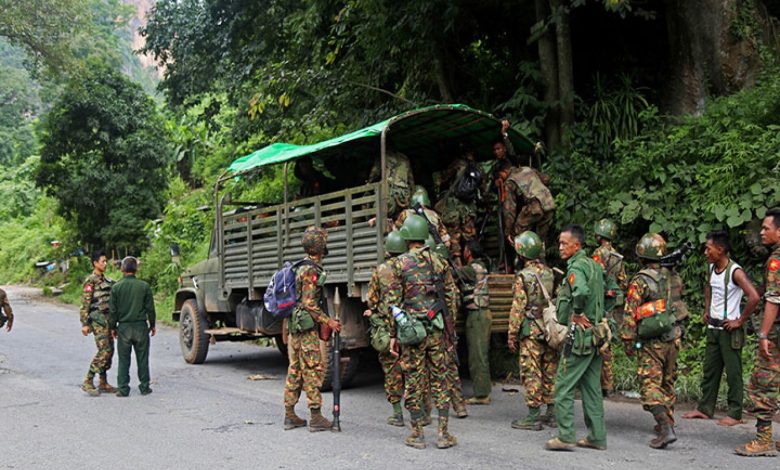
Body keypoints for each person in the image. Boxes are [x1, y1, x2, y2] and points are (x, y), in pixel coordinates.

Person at [389, 214, 459, 449]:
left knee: (414, 380)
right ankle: (443, 434)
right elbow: (451, 298)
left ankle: (417, 434)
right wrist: (450, 329)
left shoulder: (399, 264)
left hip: (412, 333)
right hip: (437, 330)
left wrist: (393, 334)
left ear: (407, 237)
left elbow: (393, 303)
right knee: (440, 379)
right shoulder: (439, 261)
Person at [683, 230, 759, 426]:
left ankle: (735, 413)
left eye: (708, 249)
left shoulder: (735, 272)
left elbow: (754, 297)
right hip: (713, 328)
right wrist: (707, 309)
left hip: (729, 331)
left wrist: (740, 321)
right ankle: (705, 408)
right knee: (710, 370)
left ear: (720, 249)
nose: (705, 252)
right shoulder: (711, 268)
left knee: (733, 372)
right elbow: (708, 287)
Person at [621, 233, 687, 449]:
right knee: (668, 381)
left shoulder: (641, 281)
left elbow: (630, 313)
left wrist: (628, 340)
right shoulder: (673, 276)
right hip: (673, 336)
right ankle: (667, 422)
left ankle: (666, 428)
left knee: (649, 385)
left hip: (652, 341)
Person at [546, 224, 607, 451]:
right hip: (596, 336)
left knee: (563, 385)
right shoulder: (594, 266)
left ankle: (566, 436)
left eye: (564, 243)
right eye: (559, 243)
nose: (560, 247)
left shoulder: (576, 268)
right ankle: (597, 437)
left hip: (579, 337)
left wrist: (578, 313)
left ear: (577, 245)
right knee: (592, 389)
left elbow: (580, 292)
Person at [283, 226, 342, 432]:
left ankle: (290, 415)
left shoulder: (301, 266)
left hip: (297, 326)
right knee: (312, 369)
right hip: (306, 329)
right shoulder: (310, 270)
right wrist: (328, 321)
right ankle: (316, 417)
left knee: (295, 369)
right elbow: (309, 303)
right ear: (320, 246)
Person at [736, 208, 780, 457]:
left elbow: (774, 299)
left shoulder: (776, 260)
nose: (762, 233)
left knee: (763, 382)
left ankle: (763, 440)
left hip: (776, 333)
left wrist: (763, 334)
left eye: (766, 228)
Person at [507, 231, 558, 430]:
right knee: (550, 369)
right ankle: (552, 413)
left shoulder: (523, 276)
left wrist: (512, 334)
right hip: (549, 327)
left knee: (531, 371)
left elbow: (518, 307)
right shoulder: (550, 273)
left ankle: (533, 416)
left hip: (531, 329)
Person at [363, 231, 405, 427]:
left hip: (387, 326)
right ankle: (421, 413)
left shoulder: (381, 270)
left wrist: (374, 310)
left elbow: (372, 299)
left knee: (391, 369)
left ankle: (397, 414)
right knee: (415, 368)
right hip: (409, 325)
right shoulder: (410, 266)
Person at [108, 256, 156, 397]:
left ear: (122, 269)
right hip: (141, 327)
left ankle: (123, 389)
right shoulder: (144, 286)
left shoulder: (116, 287)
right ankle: (145, 387)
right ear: (136, 269)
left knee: (124, 360)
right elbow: (150, 309)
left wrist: (113, 327)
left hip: (124, 328)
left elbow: (113, 311)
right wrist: (152, 324)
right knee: (143, 358)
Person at [591, 219, 627, 396]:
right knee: (608, 341)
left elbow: (594, 277)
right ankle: (608, 385)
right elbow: (623, 282)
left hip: (599, 303)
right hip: (612, 305)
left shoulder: (598, 254)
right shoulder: (618, 257)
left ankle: (596, 384)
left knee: (596, 340)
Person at [79, 251, 117, 396]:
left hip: (108, 319)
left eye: (106, 261)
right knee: (104, 350)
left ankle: (103, 381)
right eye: (103, 261)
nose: (105, 264)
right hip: (97, 319)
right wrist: (84, 323)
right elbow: (85, 303)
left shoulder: (107, 281)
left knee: (110, 350)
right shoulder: (90, 281)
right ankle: (88, 380)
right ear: (95, 263)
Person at [460, 240, 492, 405]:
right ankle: (483, 391)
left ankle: (482, 394)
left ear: (469, 252)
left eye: (465, 249)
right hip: (482, 315)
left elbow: (452, 273)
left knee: (477, 356)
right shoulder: (482, 266)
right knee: (480, 354)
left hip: (477, 315)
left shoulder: (471, 269)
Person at [495, 159, 556, 243]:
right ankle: (541, 251)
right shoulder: (527, 169)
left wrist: (508, 231)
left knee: (518, 234)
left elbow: (509, 210)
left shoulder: (510, 182)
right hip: (549, 203)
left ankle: (520, 251)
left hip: (535, 207)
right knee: (541, 239)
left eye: (500, 175)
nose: (501, 178)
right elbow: (546, 179)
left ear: (504, 171)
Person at [368, 149, 415, 220]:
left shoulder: (383, 155)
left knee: (375, 204)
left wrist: (369, 182)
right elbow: (411, 179)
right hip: (404, 195)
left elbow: (375, 173)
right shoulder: (405, 158)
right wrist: (411, 195)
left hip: (390, 194)